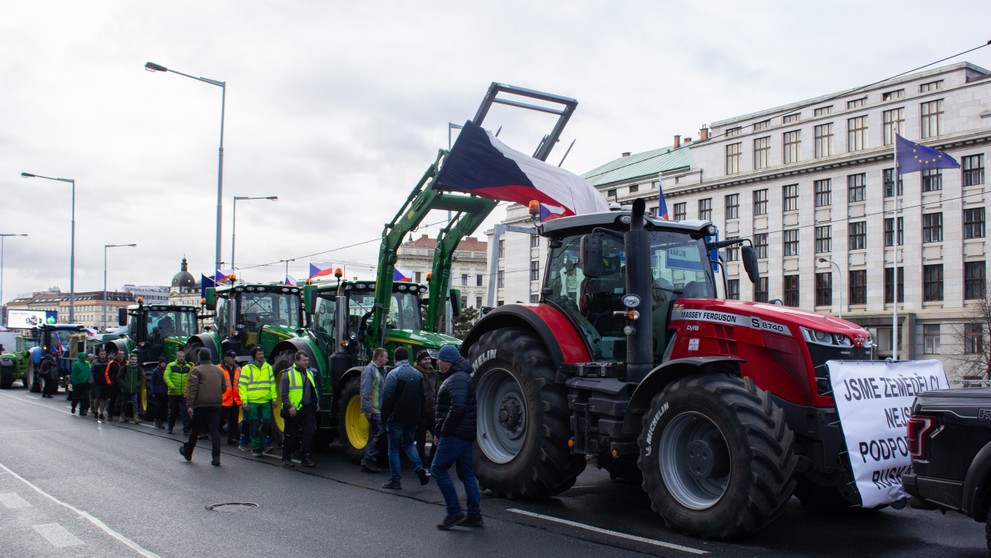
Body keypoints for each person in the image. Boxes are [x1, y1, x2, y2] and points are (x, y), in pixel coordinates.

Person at [430, 344, 482, 530]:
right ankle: (474, 515)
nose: (438, 364)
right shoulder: (461, 376)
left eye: (440, 361)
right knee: (466, 474)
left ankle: (454, 512)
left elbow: (457, 408)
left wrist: (443, 430)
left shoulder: (456, 379)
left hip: (455, 434)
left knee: (438, 469)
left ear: (448, 362)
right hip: (464, 434)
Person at [380, 347, 428, 490]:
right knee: (408, 444)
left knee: (393, 448)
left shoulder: (393, 374)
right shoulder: (418, 374)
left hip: (397, 416)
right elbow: (422, 396)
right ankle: (419, 467)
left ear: (395, 358)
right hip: (413, 416)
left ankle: (395, 480)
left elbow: (387, 398)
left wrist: (384, 418)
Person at [180, 348, 227, 466]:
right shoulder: (219, 370)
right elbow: (224, 388)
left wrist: (190, 405)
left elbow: (192, 389)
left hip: (200, 405)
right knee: (214, 431)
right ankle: (216, 457)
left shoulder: (196, 370)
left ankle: (188, 452)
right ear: (210, 357)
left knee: (195, 430)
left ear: (199, 358)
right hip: (216, 404)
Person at [279, 351, 319, 468]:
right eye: (304, 360)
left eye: (307, 360)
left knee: (309, 431)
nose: (306, 362)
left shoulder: (310, 373)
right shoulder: (288, 374)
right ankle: (286, 457)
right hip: (293, 409)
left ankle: (305, 456)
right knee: (290, 434)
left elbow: (314, 390)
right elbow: (283, 394)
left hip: (307, 408)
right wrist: (290, 406)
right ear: (296, 361)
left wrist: (316, 404)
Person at [238, 345, 276, 458]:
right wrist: (244, 401)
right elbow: (242, 386)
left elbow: (272, 384)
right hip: (252, 401)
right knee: (254, 425)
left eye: (262, 354)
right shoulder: (247, 368)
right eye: (259, 354)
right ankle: (256, 448)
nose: (261, 355)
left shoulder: (268, 367)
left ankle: (260, 442)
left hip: (265, 401)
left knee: (267, 423)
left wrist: (274, 398)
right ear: (254, 355)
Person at [359, 347, 388, 473]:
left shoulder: (381, 370)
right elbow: (366, 391)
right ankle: (369, 459)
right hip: (375, 409)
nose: (387, 359)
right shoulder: (370, 370)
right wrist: (367, 409)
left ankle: (368, 459)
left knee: (374, 434)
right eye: (385, 357)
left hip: (379, 409)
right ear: (379, 357)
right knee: (380, 433)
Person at [413, 349, 438, 468]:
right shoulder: (416, 374)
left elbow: (436, 391)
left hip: (432, 412)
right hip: (420, 413)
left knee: (438, 437)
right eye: (425, 359)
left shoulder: (433, 373)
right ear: (419, 361)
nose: (428, 361)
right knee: (420, 441)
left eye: (429, 359)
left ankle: (431, 461)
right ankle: (421, 464)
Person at [164, 351, 192, 434]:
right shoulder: (171, 366)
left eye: (183, 356)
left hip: (184, 393)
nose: (182, 358)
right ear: (176, 357)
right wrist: (171, 385)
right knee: (173, 412)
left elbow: (190, 377)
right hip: (173, 393)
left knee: (185, 411)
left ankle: (186, 430)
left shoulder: (188, 367)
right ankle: (170, 428)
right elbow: (166, 376)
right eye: (180, 356)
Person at [218, 351, 242, 445]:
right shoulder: (219, 368)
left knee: (233, 420)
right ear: (226, 358)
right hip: (224, 400)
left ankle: (232, 438)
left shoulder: (238, 369)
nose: (234, 359)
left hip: (235, 399)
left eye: (234, 357)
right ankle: (216, 435)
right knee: (220, 419)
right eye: (232, 357)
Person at [90, 347, 115, 422]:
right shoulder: (95, 362)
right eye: (101, 354)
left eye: (104, 354)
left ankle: (101, 413)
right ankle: (95, 410)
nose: (103, 355)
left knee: (104, 398)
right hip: (97, 383)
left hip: (106, 383)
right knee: (97, 397)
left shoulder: (108, 362)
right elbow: (91, 372)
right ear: (99, 354)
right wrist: (92, 381)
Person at [117, 353, 143, 424]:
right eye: (133, 359)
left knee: (135, 403)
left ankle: (135, 417)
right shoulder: (125, 367)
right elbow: (119, 377)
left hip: (134, 389)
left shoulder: (138, 368)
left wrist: (137, 385)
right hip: (126, 389)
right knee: (124, 403)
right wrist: (124, 385)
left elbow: (141, 378)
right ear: (129, 360)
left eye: (135, 359)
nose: (134, 361)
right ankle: (122, 416)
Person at [148, 357, 169, 429]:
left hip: (165, 392)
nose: (163, 364)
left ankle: (161, 422)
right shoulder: (156, 371)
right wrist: (153, 392)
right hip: (158, 393)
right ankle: (157, 420)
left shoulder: (167, 371)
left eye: (164, 362)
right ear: (159, 363)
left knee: (164, 408)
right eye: (162, 362)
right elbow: (152, 382)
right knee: (158, 407)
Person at [69, 351, 91, 417]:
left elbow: (88, 373)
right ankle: (73, 406)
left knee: (84, 398)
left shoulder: (86, 364)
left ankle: (82, 410)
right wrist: (75, 382)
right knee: (76, 397)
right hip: (78, 383)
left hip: (85, 383)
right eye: (85, 357)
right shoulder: (76, 364)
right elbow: (74, 373)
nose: (86, 358)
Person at [107, 351, 125, 421]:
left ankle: (122, 415)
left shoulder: (126, 363)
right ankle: (110, 414)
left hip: (122, 384)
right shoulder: (111, 363)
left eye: (122, 354)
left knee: (123, 400)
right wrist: (110, 382)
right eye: (120, 354)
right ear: (117, 355)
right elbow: (107, 373)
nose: (121, 356)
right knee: (112, 400)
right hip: (114, 384)